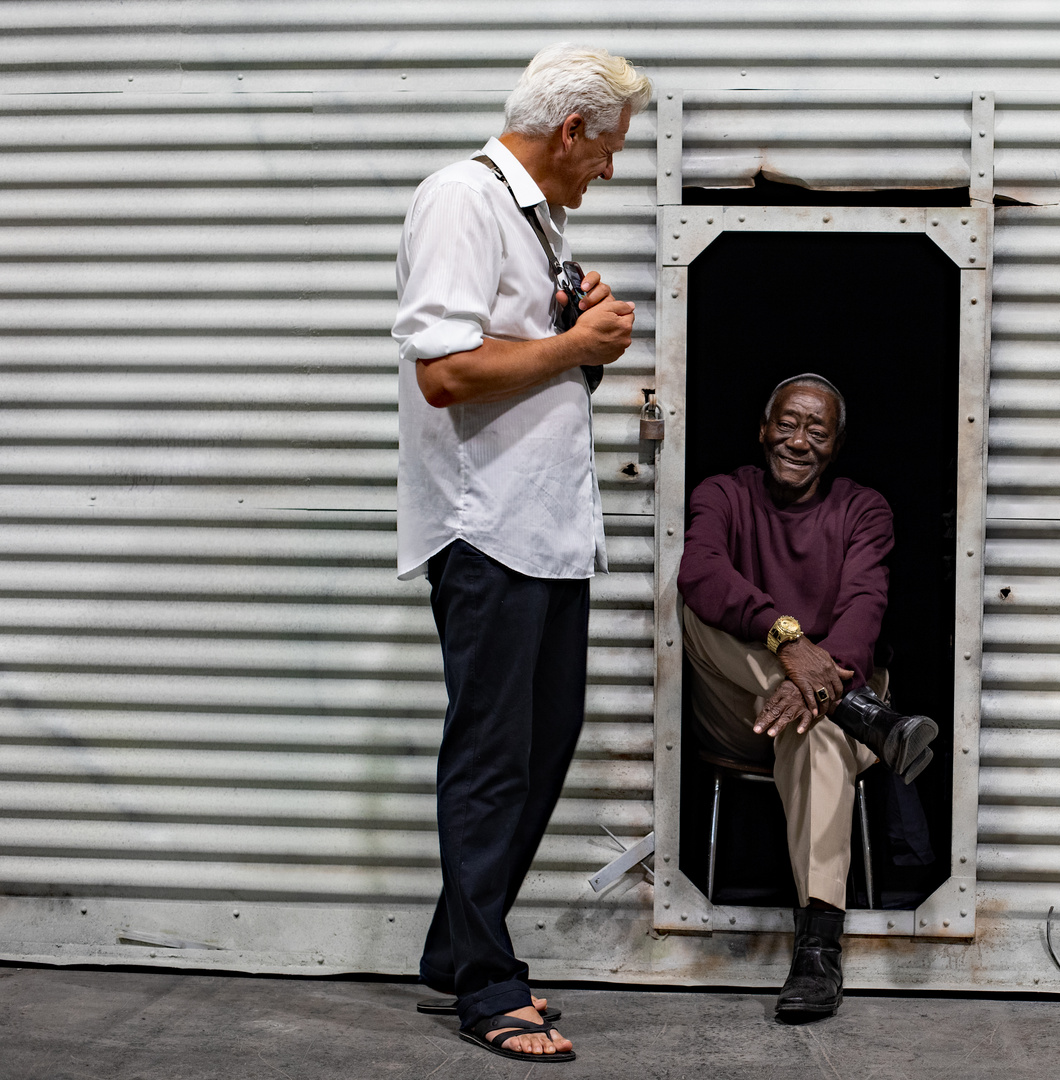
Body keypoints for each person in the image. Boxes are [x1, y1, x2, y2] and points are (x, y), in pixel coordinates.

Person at [392, 43, 650, 1063]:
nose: (612, 172)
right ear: (571, 131)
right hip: (485, 526)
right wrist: (576, 346)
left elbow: (518, 368)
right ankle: (489, 985)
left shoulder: (533, 219)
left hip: (544, 528)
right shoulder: (460, 198)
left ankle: (455, 954)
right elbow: (447, 373)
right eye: (611, 150)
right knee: (495, 756)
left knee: (543, 741)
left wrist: (568, 328)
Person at [677, 374, 939, 1020]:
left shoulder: (863, 510)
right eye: (787, 424)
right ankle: (864, 715)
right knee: (690, 608)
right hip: (743, 712)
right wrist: (785, 639)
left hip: (817, 719)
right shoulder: (724, 494)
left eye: (816, 431)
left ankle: (818, 949)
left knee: (818, 729)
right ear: (762, 429)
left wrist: (817, 686)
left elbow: (863, 613)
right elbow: (702, 571)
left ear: (837, 444)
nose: (798, 440)